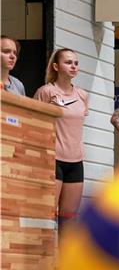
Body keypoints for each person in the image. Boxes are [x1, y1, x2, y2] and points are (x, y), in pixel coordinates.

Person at [33, 48, 88, 231]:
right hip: (53, 158)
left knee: (69, 219)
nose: (73, 66)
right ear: (56, 66)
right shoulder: (46, 92)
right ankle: (45, 258)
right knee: (49, 216)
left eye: (76, 63)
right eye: (68, 62)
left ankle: (64, 259)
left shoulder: (81, 95)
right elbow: (34, 122)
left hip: (76, 160)